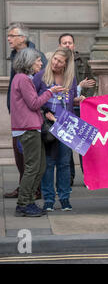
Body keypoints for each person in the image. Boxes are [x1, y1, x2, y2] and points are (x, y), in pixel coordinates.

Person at [10, 48, 64, 217]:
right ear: (29, 62)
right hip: (28, 129)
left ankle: (29, 201)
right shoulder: (23, 79)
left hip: (31, 127)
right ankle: (23, 204)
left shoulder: (23, 78)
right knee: (33, 168)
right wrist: (50, 92)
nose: (41, 64)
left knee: (39, 167)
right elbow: (34, 103)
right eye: (38, 61)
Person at [4, 22, 48, 199]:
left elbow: (40, 88)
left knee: (33, 161)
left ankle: (29, 192)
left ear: (23, 38)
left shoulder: (33, 57)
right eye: (8, 36)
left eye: (12, 36)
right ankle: (26, 195)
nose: (8, 39)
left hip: (30, 119)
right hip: (22, 119)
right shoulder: (17, 58)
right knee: (25, 159)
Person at [33, 47, 79, 212]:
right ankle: (49, 200)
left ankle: (65, 198)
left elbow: (69, 100)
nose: (55, 63)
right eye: (54, 59)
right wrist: (47, 114)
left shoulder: (70, 78)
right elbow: (33, 101)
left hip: (66, 124)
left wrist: (77, 100)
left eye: (60, 61)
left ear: (66, 64)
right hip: (48, 125)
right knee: (48, 163)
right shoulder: (40, 77)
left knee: (65, 163)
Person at [57, 33, 96, 185]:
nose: (67, 45)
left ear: (74, 45)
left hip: (81, 109)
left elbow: (92, 82)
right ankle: (69, 176)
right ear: (60, 46)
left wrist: (85, 98)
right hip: (65, 109)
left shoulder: (82, 62)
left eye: (70, 42)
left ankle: (87, 176)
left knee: (82, 145)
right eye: (64, 43)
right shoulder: (57, 63)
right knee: (66, 145)